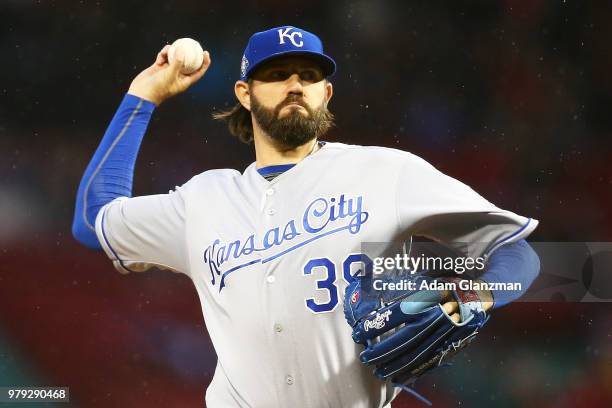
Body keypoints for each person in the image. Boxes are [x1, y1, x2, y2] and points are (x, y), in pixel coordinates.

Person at [72, 26, 541, 408]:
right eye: (277, 74)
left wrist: (478, 293)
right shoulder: (203, 200)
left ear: (326, 92)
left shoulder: (385, 171)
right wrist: (143, 96)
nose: (296, 84)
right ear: (245, 93)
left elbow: (516, 250)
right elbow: (94, 221)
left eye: (308, 75)